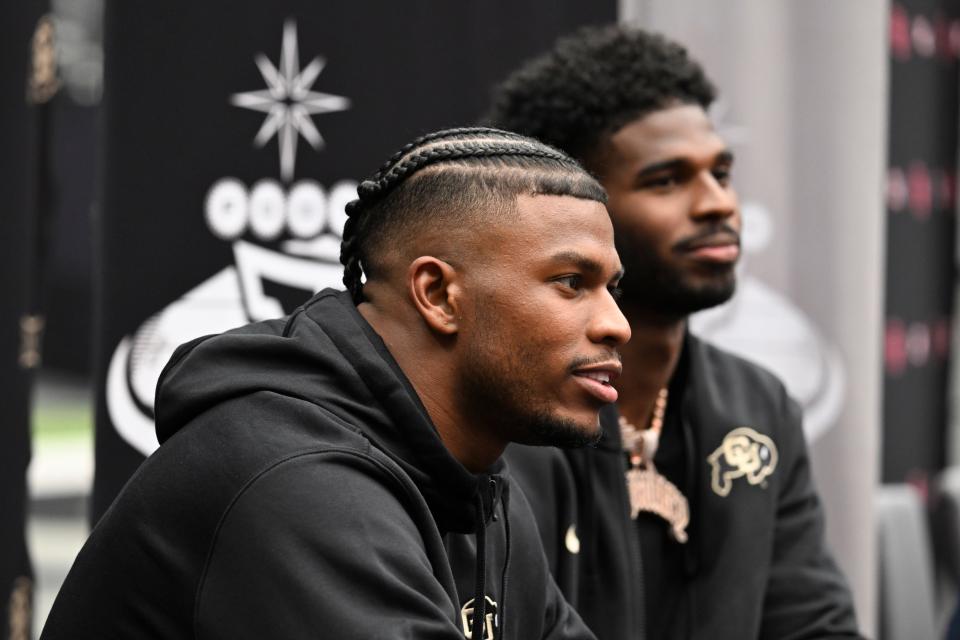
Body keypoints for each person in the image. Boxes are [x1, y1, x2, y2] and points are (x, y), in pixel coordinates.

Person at [39, 127, 630, 639]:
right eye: (571, 282)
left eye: (612, 289)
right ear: (438, 295)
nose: (616, 325)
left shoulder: (481, 488)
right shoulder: (297, 482)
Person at [486, 26, 864, 640]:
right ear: (570, 210)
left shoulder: (758, 406)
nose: (717, 203)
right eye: (666, 181)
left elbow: (814, 625)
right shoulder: (505, 417)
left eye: (721, 172)